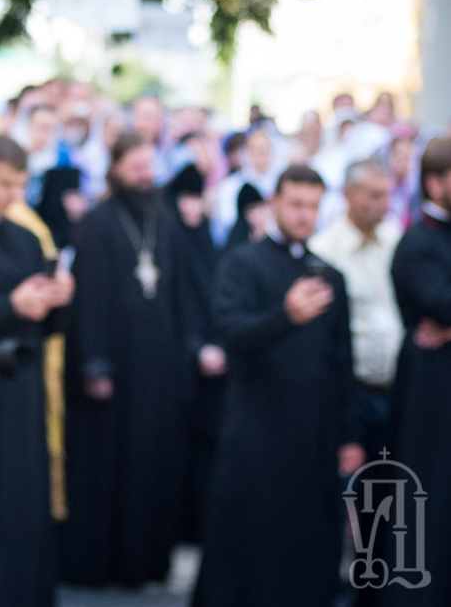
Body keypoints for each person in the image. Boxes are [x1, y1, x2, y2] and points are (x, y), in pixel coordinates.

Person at [193, 165, 363, 607]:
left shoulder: (328, 275)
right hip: (257, 426)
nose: (305, 215)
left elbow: (341, 360)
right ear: (274, 204)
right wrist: (285, 317)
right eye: (296, 205)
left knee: (306, 538)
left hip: (314, 431)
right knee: (248, 539)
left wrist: (349, 434)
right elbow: (233, 334)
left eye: (313, 206)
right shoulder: (242, 263)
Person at [61, 132, 189, 587]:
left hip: (156, 362)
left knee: (152, 461)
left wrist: (183, 351)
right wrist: (94, 362)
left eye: (148, 167)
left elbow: (176, 289)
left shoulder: (163, 217)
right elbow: (89, 298)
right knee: (110, 463)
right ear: (116, 169)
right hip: (114, 363)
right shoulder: (97, 222)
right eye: (135, 168)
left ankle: (146, 561)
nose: (144, 175)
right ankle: (105, 563)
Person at [0, 136, 73, 607]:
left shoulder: (27, 237)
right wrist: (13, 305)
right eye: (5, 183)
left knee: (26, 502)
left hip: (24, 387)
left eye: (22, 185)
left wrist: (59, 299)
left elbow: (46, 328)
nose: (14, 195)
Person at [383, 137, 451, 607]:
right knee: (430, 494)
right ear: (435, 181)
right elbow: (440, 305)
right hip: (431, 388)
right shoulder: (416, 242)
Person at [309, 158, 403, 465]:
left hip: (396, 385)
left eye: (387, 195)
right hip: (352, 394)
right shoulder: (325, 251)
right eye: (373, 196)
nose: (383, 204)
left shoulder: (395, 240)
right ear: (349, 194)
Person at [167, 163, 226, 544]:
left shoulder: (206, 239)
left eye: (196, 198)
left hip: (213, 358)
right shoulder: (168, 238)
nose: (191, 208)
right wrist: (193, 347)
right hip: (180, 360)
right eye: (184, 199)